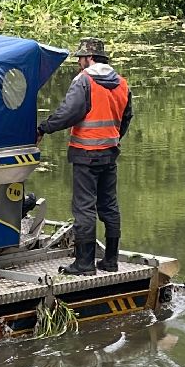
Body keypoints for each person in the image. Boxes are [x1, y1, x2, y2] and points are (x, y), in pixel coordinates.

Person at [36, 37, 132, 275]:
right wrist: (113, 138)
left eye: (80, 57)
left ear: (89, 58)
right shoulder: (122, 83)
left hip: (85, 154)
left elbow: (69, 113)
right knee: (109, 206)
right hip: (109, 153)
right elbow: (126, 117)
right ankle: (110, 261)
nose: (79, 62)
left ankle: (84, 264)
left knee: (84, 208)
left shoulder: (84, 80)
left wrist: (43, 128)